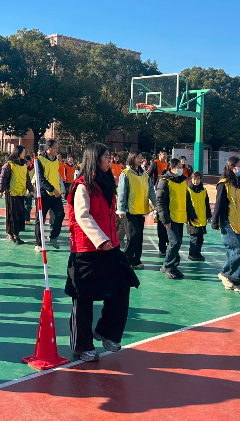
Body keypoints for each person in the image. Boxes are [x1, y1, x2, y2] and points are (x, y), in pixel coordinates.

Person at [65, 142, 139, 362]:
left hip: (110, 247)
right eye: (106, 156)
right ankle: (82, 345)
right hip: (86, 250)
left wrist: (112, 237)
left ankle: (107, 332)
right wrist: (101, 239)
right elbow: (82, 215)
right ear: (95, 159)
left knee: (123, 285)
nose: (110, 159)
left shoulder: (108, 182)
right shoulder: (82, 185)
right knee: (83, 299)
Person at [156, 158, 196, 279]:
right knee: (174, 242)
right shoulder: (164, 181)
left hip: (180, 216)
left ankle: (173, 266)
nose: (180, 169)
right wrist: (165, 220)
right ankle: (167, 266)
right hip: (170, 217)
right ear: (172, 168)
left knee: (177, 243)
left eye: (181, 167)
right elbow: (160, 201)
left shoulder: (182, 181)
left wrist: (192, 215)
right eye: (178, 167)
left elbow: (187, 200)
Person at [210, 157, 240, 292]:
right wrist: (215, 222)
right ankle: (231, 276)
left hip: (238, 221)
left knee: (232, 250)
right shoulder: (223, 184)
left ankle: (229, 277)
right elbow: (219, 203)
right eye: (239, 166)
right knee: (239, 249)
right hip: (227, 221)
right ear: (231, 167)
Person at [116, 150, 156, 269]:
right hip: (130, 210)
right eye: (138, 157)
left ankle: (136, 260)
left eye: (141, 157)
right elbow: (122, 192)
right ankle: (126, 259)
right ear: (132, 158)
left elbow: (151, 191)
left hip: (141, 209)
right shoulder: (126, 174)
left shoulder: (144, 175)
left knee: (139, 237)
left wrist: (156, 205)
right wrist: (121, 209)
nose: (140, 159)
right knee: (133, 235)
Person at [32, 139, 65, 252]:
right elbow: (41, 179)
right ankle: (38, 243)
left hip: (55, 195)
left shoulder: (56, 160)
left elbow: (57, 176)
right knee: (40, 219)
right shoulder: (39, 160)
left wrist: (60, 190)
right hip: (43, 194)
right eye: (55, 147)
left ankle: (53, 236)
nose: (57, 149)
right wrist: (52, 189)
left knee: (60, 214)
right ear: (48, 148)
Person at [0, 145, 33, 244]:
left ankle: (16, 233)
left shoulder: (24, 165)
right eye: (23, 152)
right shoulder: (9, 164)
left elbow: (27, 178)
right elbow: (3, 178)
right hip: (11, 192)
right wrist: (0, 191)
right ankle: (10, 233)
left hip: (21, 192)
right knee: (12, 214)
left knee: (20, 214)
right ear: (18, 153)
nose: (24, 154)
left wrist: (31, 189)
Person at [186, 171, 211, 261]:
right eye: (194, 179)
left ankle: (198, 253)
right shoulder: (188, 190)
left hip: (202, 218)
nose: (196, 181)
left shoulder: (203, 190)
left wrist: (208, 215)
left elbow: (206, 204)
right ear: (191, 179)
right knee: (194, 237)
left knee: (200, 237)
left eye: (198, 179)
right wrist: (192, 217)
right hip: (193, 219)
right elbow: (188, 205)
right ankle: (192, 253)